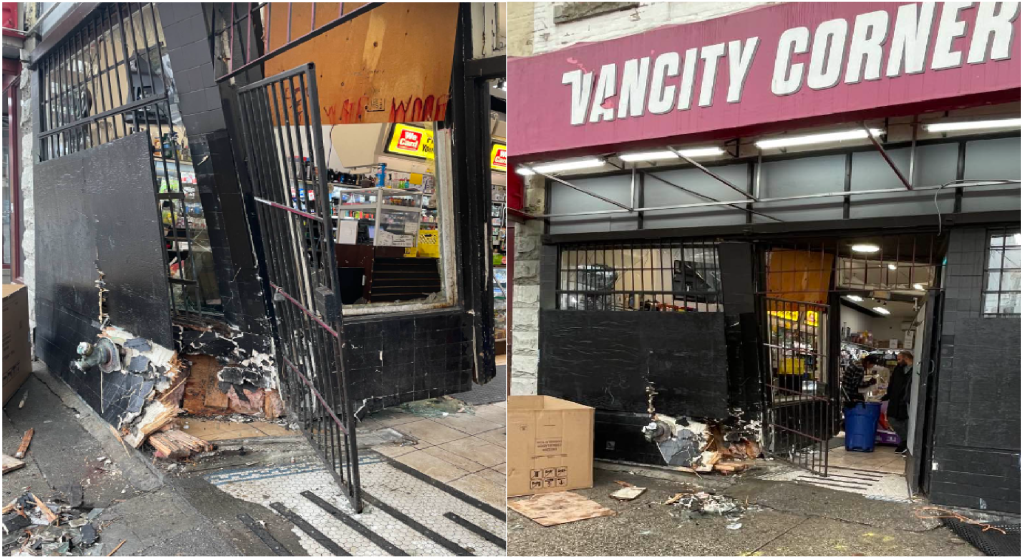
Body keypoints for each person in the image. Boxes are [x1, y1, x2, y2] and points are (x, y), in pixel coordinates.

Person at [883, 351, 914, 454]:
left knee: (906, 422)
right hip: (895, 399)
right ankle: (905, 440)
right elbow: (892, 383)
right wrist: (888, 395)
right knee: (892, 419)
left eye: (899, 359)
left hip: (907, 400)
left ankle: (905, 443)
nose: (898, 361)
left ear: (906, 358)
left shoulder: (915, 370)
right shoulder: (898, 369)